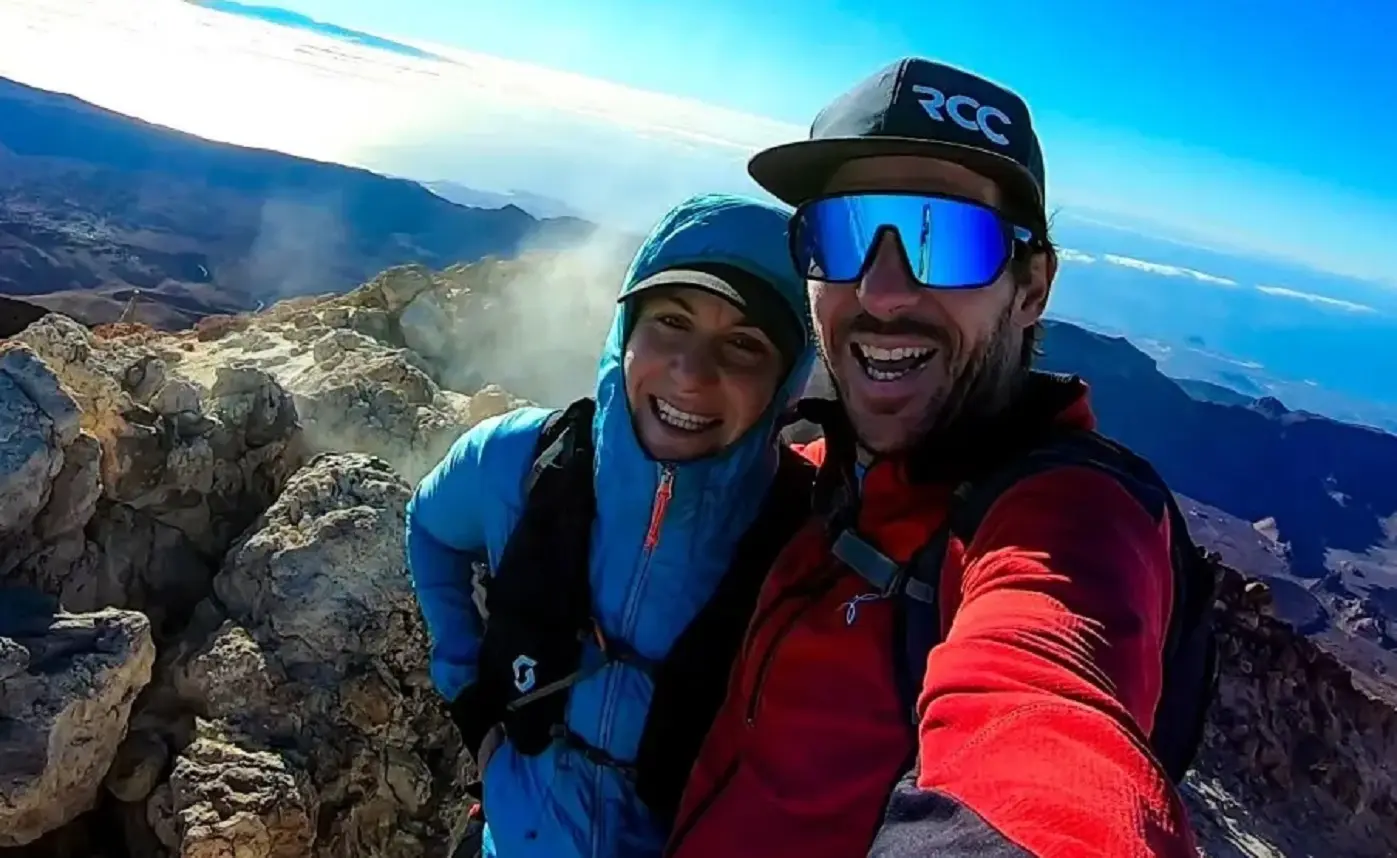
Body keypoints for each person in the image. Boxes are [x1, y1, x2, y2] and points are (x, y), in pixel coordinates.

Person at [666, 59, 1216, 858]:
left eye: (947, 238)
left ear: (1031, 289)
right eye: (841, 234)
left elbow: (1043, 724)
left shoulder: (1070, 521)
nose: (881, 292)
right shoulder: (815, 479)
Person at [405, 192, 817, 858]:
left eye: (744, 345)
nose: (690, 373)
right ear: (625, 332)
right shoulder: (519, 461)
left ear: (785, 385)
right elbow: (429, 530)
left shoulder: (809, 543)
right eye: (671, 322)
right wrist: (471, 699)